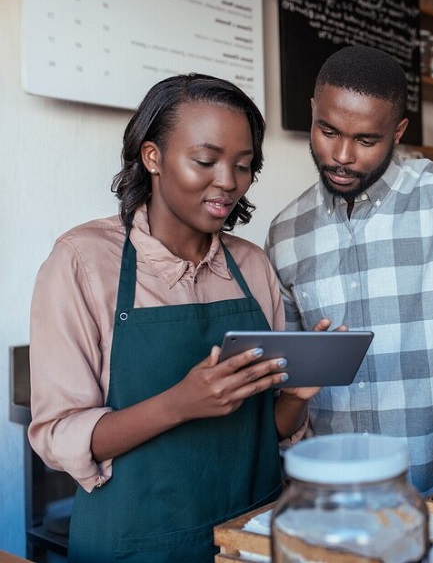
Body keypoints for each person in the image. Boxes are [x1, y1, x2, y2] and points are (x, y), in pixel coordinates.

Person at [28, 74, 319, 562]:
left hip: (249, 534)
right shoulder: (82, 261)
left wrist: (296, 395)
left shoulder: (251, 265)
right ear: (153, 157)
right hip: (135, 543)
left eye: (244, 166)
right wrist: (179, 404)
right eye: (205, 161)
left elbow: (263, 431)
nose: (228, 181)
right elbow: (58, 435)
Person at [265, 46, 433, 506]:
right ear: (312, 111)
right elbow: (293, 383)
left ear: (398, 131)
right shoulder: (286, 232)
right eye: (327, 130)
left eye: (366, 140)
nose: (342, 156)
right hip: (339, 494)